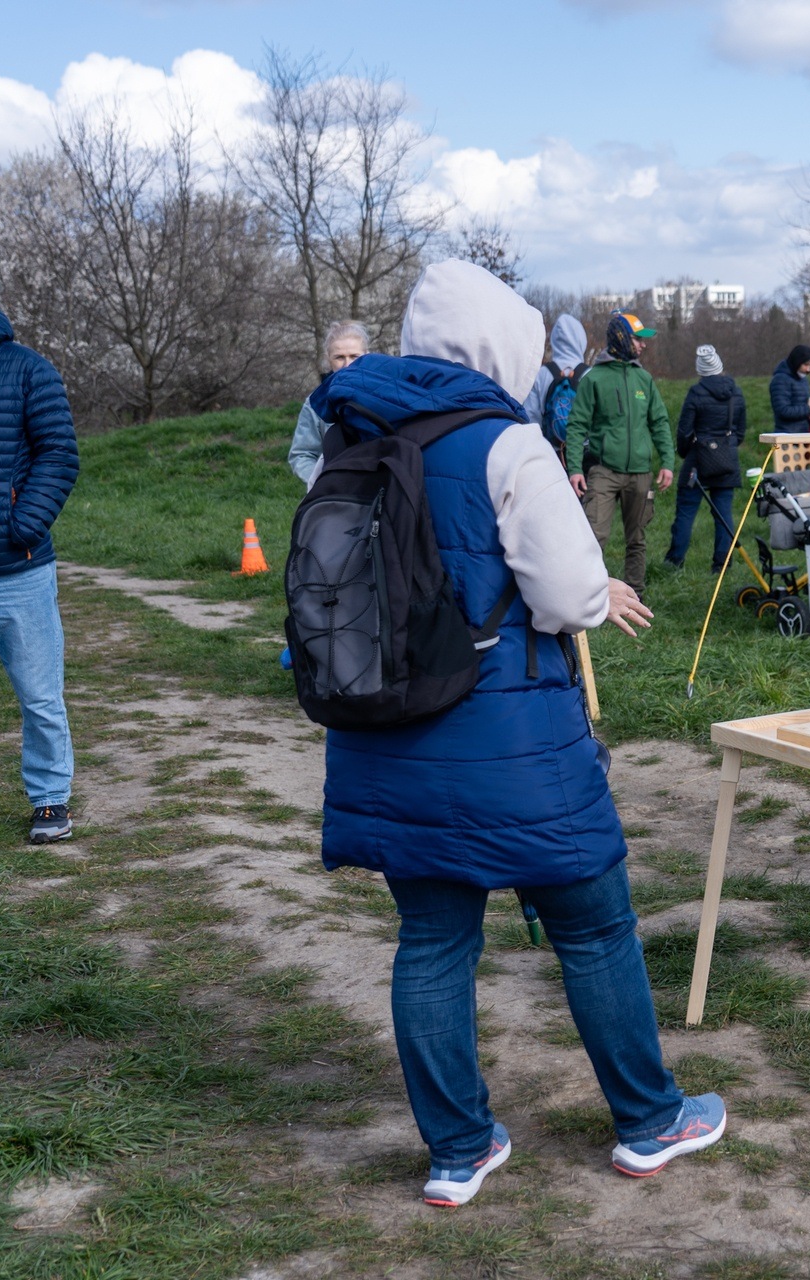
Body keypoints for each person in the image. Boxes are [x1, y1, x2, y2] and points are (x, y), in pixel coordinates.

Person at [308, 260, 724, 1206]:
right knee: (595, 926)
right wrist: (593, 591)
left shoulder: (351, 433)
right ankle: (650, 1121)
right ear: (498, 348)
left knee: (431, 941)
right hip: (512, 738)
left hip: (385, 729)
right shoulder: (507, 443)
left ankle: (457, 1152)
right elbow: (567, 595)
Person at [0, 250, 80, 845]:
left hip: (16, 568)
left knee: (39, 695)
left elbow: (59, 453)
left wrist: (24, 522)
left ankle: (49, 800)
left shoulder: (28, 369)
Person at [565, 313, 674, 600]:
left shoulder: (643, 379)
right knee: (593, 537)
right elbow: (576, 426)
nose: (643, 345)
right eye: (638, 339)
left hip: (640, 473)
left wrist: (667, 463)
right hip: (603, 472)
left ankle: (635, 596)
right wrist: (575, 469)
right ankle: (585, 597)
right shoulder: (594, 378)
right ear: (622, 339)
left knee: (637, 539)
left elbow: (660, 422)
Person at [666, 344, 746, 573]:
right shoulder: (736, 392)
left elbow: (684, 431)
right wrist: (727, 447)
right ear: (720, 366)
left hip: (697, 460)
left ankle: (674, 562)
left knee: (686, 511)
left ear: (700, 370)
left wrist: (686, 452)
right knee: (723, 514)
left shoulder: (696, 393)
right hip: (726, 460)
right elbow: (740, 431)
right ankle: (722, 564)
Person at [288, 320, 370, 486]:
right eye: (339, 357)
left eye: (354, 356)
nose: (347, 365)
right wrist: (323, 482)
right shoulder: (316, 403)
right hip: (333, 492)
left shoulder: (387, 397)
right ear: (328, 360)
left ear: (367, 356)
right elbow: (301, 455)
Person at [520, 313, 587, 452]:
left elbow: (531, 418)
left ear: (554, 340)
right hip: (583, 454)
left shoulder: (541, 373)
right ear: (581, 339)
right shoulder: (590, 374)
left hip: (550, 453)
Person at [770, 344, 810, 433]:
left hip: (803, 435)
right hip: (786, 436)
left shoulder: (803, 380)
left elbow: (801, 407)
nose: (808, 369)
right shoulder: (780, 380)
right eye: (806, 365)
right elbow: (783, 411)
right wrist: (809, 408)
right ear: (797, 362)